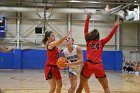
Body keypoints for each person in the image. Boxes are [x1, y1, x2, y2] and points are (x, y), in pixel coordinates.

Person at [76, 13, 121, 93]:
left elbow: (85, 30)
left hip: (89, 65)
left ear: (91, 35)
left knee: (80, 87)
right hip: (98, 66)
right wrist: (116, 25)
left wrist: (87, 19)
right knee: (106, 87)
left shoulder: (88, 41)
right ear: (98, 36)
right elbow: (110, 35)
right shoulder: (101, 42)